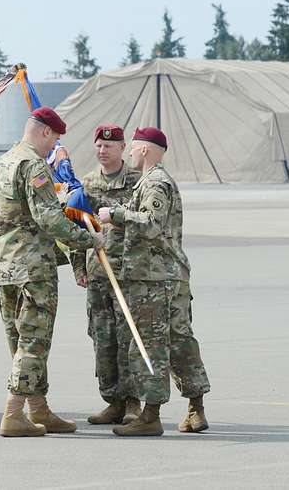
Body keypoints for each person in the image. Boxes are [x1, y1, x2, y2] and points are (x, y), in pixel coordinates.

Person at [0, 106, 102, 437]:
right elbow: (49, 218)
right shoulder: (33, 165)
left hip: (6, 267)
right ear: (45, 133)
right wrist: (88, 238)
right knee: (33, 343)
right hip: (32, 268)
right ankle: (13, 414)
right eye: (54, 140)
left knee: (20, 341)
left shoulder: (0, 164)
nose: (54, 149)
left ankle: (38, 409)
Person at [98, 127, 211, 436]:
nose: (130, 154)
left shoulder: (155, 183)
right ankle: (195, 410)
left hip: (155, 279)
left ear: (145, 150)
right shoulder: (153, 182)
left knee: (151, 345)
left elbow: (150, 224)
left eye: (133, 149)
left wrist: (115, 214)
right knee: (179, 343)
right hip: (166, 276)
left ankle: (150, 416)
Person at [79, 125, 142, 426]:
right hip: (98, 273)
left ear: (122, 147)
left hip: (128, 272)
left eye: (110, 146)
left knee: (127, 337)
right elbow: (77, 227)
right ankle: (112, 401)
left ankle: (132, 402)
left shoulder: (136, 181)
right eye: (99, 146)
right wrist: (79, 266)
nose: (103, 151)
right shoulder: (87, 184)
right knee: (102, 339)